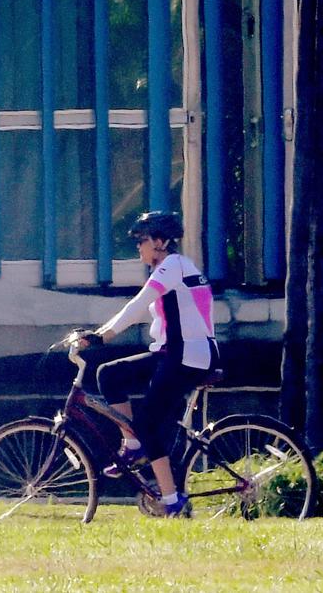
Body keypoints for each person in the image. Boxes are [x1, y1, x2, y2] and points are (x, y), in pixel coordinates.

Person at [77, 211, 219, 518]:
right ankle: (133, 445)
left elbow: (137, 305)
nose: (138, 247)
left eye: (142, 241)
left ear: (161, 242)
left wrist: (102, 336)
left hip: (188, 355)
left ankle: (172, 501)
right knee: (109, 374)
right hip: (173, 352)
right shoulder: (174, 267)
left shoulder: (173, 266)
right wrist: (99, 334)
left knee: (147, 423)